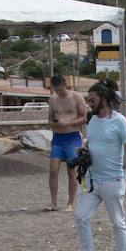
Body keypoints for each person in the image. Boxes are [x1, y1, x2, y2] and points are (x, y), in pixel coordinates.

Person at [66, 82, 126, 251]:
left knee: (118, 222)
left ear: (103, 100)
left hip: (113, 181)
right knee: (81, 217)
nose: (89, 104)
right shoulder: (92, 120)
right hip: (91, 181)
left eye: (93, 100)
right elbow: (94, 143)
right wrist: (84, 150)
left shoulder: (119, 121)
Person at [46, 74, 88, 212]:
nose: (59, 92)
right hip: (58, 138)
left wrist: (68, 123)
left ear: (65, 85)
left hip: (72, 137)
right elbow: (50, 119)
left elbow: (83, 118)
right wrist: (56, 124)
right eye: (56, 90)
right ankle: (53, 202)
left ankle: (70, 203)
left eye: (60, 89)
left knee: (71, 171)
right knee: (53, 170)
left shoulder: (76, 97)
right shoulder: (53, 99)